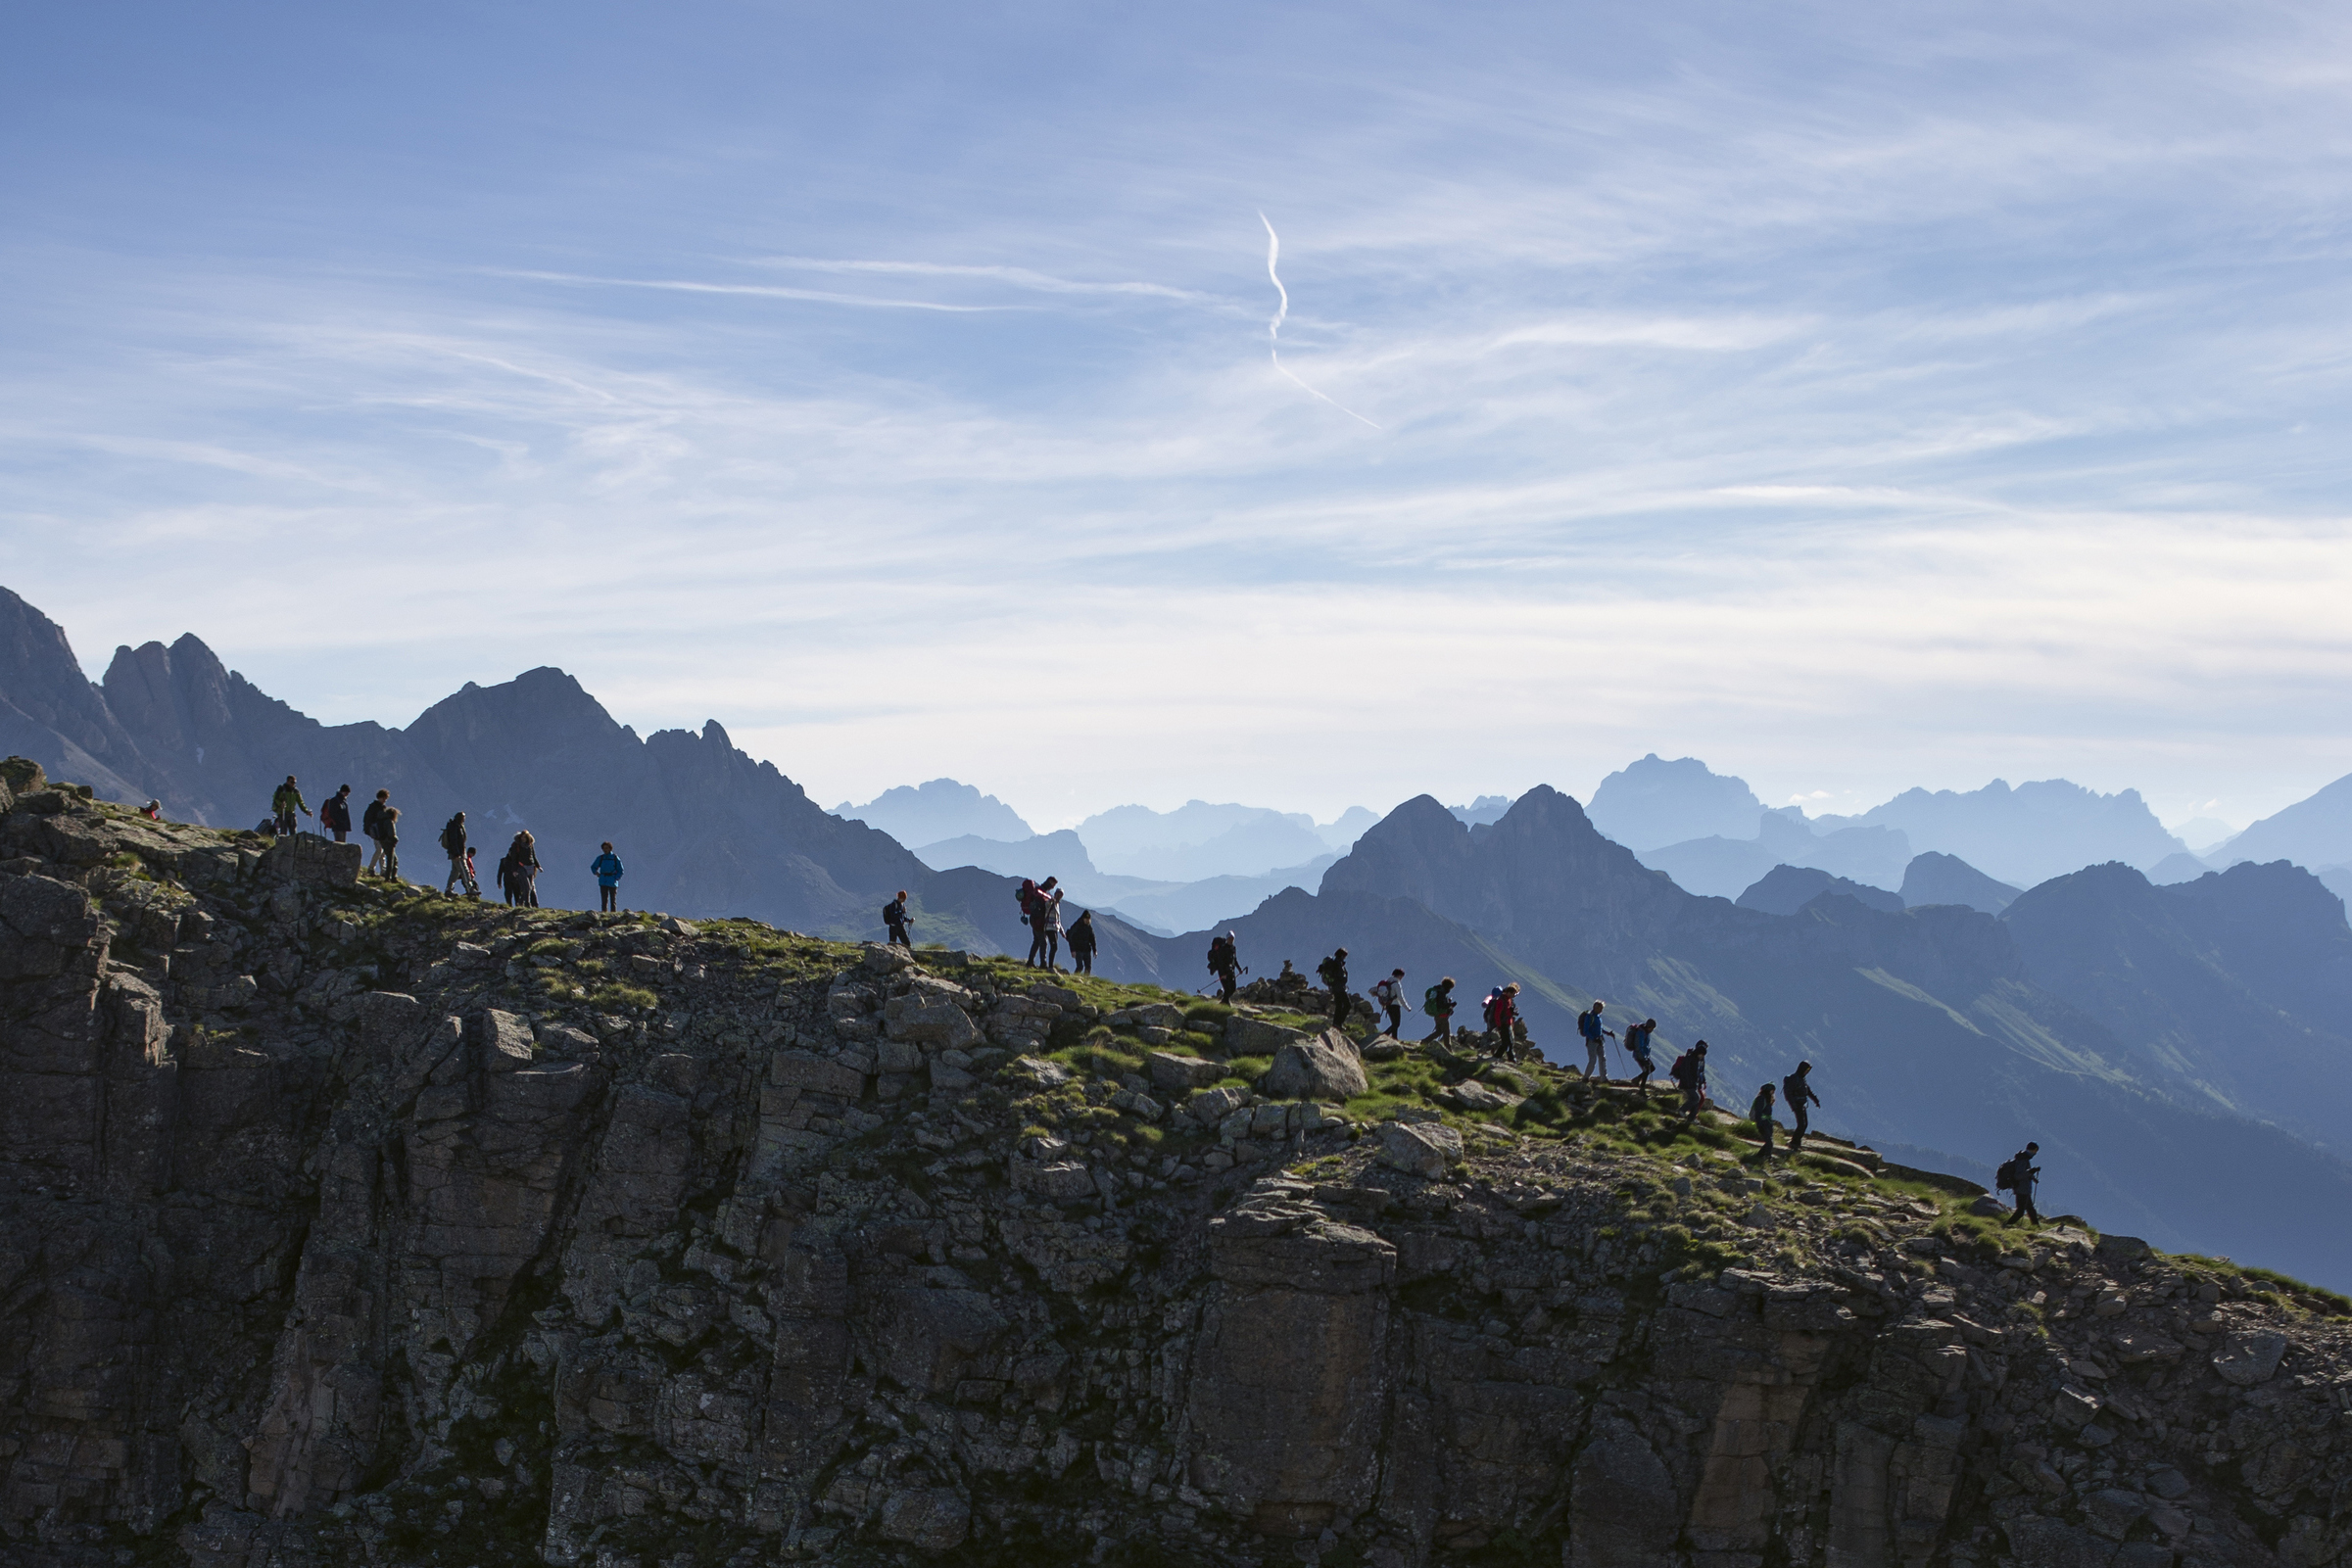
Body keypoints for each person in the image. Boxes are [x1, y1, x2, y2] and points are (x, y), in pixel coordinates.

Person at [1999, 1143, 2044, 1226]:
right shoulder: (2022, 1160)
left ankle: (2036, 1227)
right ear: (2031, 1150)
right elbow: (2018, 1176)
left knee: (2030, 1209)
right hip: (2021, 1189)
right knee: (2021, 1211)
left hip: (2023, 1189)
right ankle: (2007, 1225)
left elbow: (2023, 1173)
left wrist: (2032, 1177)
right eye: (2035, 1151)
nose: (2035, 1153)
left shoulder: (2023, 1158)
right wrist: (2031, 1171)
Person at [1783, 1062, 1821, 1152]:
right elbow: (1788, 1094)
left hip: (1802, 1104)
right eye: (1807, 1070)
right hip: (1797, 1104)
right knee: (1801, 1124)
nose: (1807, 1072)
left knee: (1804, 1124)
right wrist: (1793, 1106)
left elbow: (1808, 1091)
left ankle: (1797, 1142)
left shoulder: (1802, 1079)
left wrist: (1816, 1100)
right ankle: (1793, 1143)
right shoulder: (1794, 1079)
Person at [1669, 1040, 1710, 1124]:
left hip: (1692, 1084)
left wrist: (1701, 1081)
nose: (1702, 1056)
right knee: (1696, 1098)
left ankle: (1691, 1118)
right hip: (1687, 1084)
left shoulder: (1696, 1059)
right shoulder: (1690, 1059)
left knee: (1696, 1099)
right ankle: (1682, 1110)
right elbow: (1687, 1072)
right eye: (1702, 1054)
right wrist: (1690, 1083)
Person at [1577, 1000, 1614, 1081]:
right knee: (1593, 1059)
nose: (1601, 1010)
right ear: (1596, 1008)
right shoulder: (1589, 1017)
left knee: (1602, 1059)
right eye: (1600, 1008)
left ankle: (1604, 1078)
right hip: (1592, 1042)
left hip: (1599, 1040)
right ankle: (1586, 1077)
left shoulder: (1597, 1017)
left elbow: (1600, 1028)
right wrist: (1593, 1038)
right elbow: (1586, 1030)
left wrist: (1608, 1033)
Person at [1316, 948, 1350, 1029]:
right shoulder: (1338, 963)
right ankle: (1339, 1023)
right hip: (1339, 987)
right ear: (1342, 955)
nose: (1345, 957)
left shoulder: (1334, 962)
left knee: (1339, 1005)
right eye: (1344, 955)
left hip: (1334, 988)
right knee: (1347, 1005)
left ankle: (1336, 1024)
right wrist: (1342, 981)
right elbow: (1340, 975)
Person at [1487, 983, 1522, 1061]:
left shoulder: (1508, 1000)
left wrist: (1512, 1012)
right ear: (1509, 992)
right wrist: (1499, 1025)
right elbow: (1497, 1014)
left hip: (1507, 1023)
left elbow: (1506, 1011)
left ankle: (1500, 1057)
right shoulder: (1501, 1000)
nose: (1514, 996)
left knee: (1507, 1042)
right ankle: (1509, 1058)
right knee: (1508, 1042)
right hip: (1503, 1024)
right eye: (1514, 994)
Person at [1624, 1019, 1659, 1095]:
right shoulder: (1640, 1033)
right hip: (1639, 1055)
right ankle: (1641, 1090)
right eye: (1652, 1028)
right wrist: (1644, 1057)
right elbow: (1638, 1047)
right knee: (1646, 1070)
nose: (1652, 1030)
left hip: (1644, 1055)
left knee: (1651, 1068)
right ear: (1649, 1027)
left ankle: (1637, 1079)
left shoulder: (1645, 1032)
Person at [361, 790, 392, 876]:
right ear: (380, 797)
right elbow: (369, 820)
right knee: (379, 850)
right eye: (384, 798)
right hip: (376, 832)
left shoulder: (379, 807)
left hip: (380, 833)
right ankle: (371, 868)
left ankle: (383, 871)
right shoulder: (374, 808)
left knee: (382, 851)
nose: (385, 800)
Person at [440, 812, 470, 896]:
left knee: (455, 872)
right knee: (464, 871)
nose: (464, 819)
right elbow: (454, 841)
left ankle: (448, 890)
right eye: (463, 818)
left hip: (457, 853)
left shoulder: (456, 826)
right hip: (458, 854)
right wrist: (457, 853)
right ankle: (470, 888)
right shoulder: (455, 827)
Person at [1368, 969, 1407, 1037]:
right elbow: (1400, 997)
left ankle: (1394, 1038)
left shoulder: (1387, 983)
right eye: (1401, 976)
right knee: (1396, 1024)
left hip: (1388, 1005)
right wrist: (1407, 1007)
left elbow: (1373, 991)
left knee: (1394, 1024)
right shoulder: (1396, 984)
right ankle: (1385, 1035)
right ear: (1400, 975)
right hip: (1396, 1005)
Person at [507, 832, 541, 908]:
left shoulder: (530, 845)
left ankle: (520, 902)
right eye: (522, 837)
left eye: (525, 837)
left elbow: (533, 856)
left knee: (529, 887)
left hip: (531, 867)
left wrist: (538, 866)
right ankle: (527, 904)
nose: (523, 839)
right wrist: (514, 870)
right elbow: (514, 859)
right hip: (521, 867)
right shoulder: (517, 846)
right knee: (527, 886)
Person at [1207, 931, 1241, 1002]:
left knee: (1233, 989)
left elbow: (1235, 960)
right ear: (1227, 939)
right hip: (1223, 972)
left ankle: (1224, 1002)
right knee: (1227, 989)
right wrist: (1222, 974)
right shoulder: (1223, 949)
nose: (1231, 940)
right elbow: (1220, 962)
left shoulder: (1233, 948)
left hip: (1231, 972)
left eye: (1232, 939)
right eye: (1230, 939)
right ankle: (1225, 1003)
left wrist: (1239, 969)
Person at [593, 843, 627, 914]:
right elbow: (593, 866)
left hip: (612, 881)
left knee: (613, 899)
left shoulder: (615, 858)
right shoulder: (601, 858)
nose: (605, 850)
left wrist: (616, 878)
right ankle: (604, 913)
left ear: (610, 849)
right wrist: (597, 873)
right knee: (604, 899)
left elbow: (620, 870)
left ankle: (613, 914)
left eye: (607, 848)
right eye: (604, 848)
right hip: (603, 880)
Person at [1422, 976, 1457, 1044]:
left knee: (1439, 1031)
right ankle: (1448, 1048)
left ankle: (1425, 1041)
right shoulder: (1441, 992)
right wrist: (1451, 1005)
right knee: (1446, 1033)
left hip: (1436, 1015)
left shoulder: (1437, 991)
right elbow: (1442, 1005)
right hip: (1443, 1015)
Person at [1749, 1081, 1779, 1159]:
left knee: (1769, 1142)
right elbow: (1758, 1112)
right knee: (1769, 1142)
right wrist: (1759, 1123)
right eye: (1772, 1090)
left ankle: (1759, 1156)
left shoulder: (1766, 1099)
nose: (1773, 1092)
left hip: (1767, 1123)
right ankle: (1767, 1157)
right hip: (1763, 1123)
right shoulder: (1761, 1099)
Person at [374, 806, 402, 881]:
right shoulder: (389, 821)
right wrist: (395, 839)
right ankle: (390, 878)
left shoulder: (382, 820)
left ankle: (390, 877)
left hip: (383, 841)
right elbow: (391, 833)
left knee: (391, 859)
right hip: (389, 842)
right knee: (392, 860)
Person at [1068, 909, 1098, 974]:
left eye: (1088, 919)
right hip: (1078, 950)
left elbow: (1092, 938)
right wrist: (1072, 950)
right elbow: (1070, 937)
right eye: (1086, 919)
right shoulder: (1077, 925)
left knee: (1088, 967)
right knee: (1080, 967)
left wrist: (1094, 950)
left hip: (1087, 949)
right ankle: (1075, 979)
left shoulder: (1089, 927)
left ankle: (1085, 981)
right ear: (1083, 918)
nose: (1088, 920)